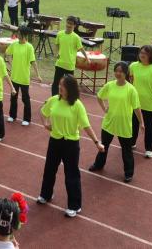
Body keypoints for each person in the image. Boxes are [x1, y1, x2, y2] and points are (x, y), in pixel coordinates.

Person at [37, 75, 104, 217]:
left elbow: (86, 126)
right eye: (59, 85)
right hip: (55, 141)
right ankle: (46, 194)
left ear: (70, 88)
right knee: (49, 169)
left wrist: (97, 142)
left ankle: (75, 205)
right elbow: (42, 111)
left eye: (63, 85)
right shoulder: (54, 100)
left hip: (71, 144)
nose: (60, 87)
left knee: (71, 174)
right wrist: (45, 124)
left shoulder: (77, 105)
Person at [89, 62, 143, 183]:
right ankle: (98, 164)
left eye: (121, 71)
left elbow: (136, 108)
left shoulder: (131, 89)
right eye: (116, 71)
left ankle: (128, 173)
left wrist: (141, 123)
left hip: (124, 124)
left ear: (126, 73)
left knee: (126, 150)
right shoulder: (110, 85)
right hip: (109, 122)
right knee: (104, 146)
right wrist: (104, 108)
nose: (118, 73)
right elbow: (99, 96)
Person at [130, 46, 152, 158]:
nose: (142, 55)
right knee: (133, 124)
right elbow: (130, 81)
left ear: (150, 55)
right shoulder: (133, 66)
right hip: (135, 103)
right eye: (141, 52)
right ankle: (132, 143)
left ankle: (149, 149)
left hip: (149, 104)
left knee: (149, 127)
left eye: (145, 53)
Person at [6, 25, 41, 125]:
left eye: (19, 33)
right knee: (13, 97)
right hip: (14, 77)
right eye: (17, 33)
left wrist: (38, 75)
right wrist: (11, 63)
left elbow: (33, 61)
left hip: (24, 77)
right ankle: (12, 116)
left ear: (24, 35)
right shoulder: (14, 44)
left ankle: (26, 119)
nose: (17, 34)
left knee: (25, 98)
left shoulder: (29, 47)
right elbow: (7, 53)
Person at [51, 16, 89, 96]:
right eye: (68, 23)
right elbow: (56, 44)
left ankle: (68, 99)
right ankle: (54, 98)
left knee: (69, 85)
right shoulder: (60, 34)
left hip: (70, 65)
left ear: (74, 25)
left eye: (71, 24)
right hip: (60, 64)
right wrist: (56, 53)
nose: (68, 25)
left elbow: (81, 48)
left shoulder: (76, 37)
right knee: (56, 83)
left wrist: (87, 58)